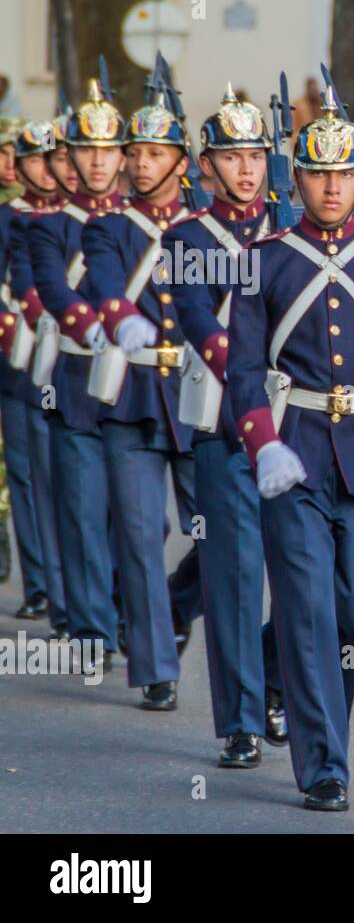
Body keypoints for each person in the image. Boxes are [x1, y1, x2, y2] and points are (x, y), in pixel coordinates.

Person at [227, 88, 354, 812]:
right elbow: (240, 370)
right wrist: (262, 444)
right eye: (318, 174)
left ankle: (290, 685)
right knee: (306, 612)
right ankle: (325, 762)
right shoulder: (261, 260)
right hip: (293, 451)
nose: (331, 186)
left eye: (345, 173)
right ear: (295, 179)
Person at [167, 85, 286, 764]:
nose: (245, 170)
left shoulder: (291, 230)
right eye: (230, 157)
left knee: (313, 576)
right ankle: (240, 721)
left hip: (299, 421)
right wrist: (253, 385)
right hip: (227, 418)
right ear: (206, 165)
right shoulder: (187, 238)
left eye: (255, 155)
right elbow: (202, 326)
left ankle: (273, 679)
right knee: (236, 573)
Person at [80, 92, 203, 711]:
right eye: (136, 153)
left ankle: (178, 609)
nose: (142, 163)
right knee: (138, 531)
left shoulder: (204, 227)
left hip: (196, 396)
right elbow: (103, 280)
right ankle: (156, 667)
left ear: (181, 162)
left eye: (157, 153)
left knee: (219, 532)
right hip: (130, 395)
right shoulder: (107, 228)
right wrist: (120, 316)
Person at [27, 81, 127, 675]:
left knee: (145, 519)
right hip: (77, 376)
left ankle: (129, 608)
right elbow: (52, 288)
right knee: (86, 510)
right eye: (84, 150)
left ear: (122, 156)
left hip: (140, 386)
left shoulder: (144, 222)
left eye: (107, 149)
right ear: (69, 155)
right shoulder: (47, 226)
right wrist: (96, 327)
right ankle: (93, 627)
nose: (95, 161)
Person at [0, 119, 64, 629]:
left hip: (74, 360)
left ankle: (74, 583)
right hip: (19, 356)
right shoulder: (8, 218)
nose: (45, 170)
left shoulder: (81, 217)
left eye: (52, 158)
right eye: (35, 160)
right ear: (20, 167)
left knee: (68, 478)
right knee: (27, 475)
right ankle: (41, 582)